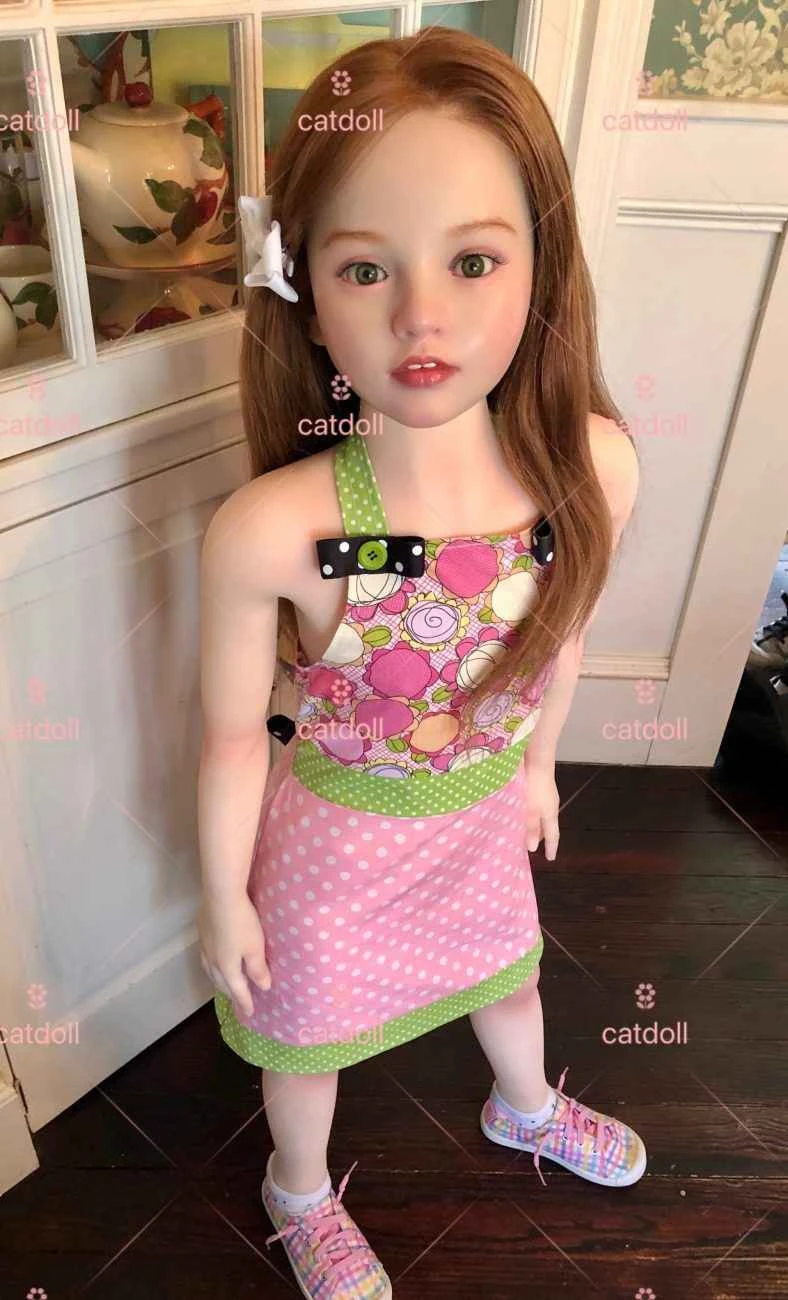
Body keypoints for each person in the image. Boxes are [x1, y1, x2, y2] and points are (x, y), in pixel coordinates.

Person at [198, 27, 642, 1299]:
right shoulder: (275, 528)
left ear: (541, 263)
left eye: (472, 260)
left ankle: (523, 1104)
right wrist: (223, 893)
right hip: (334, 850)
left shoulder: (592, 467)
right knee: (308, 1038)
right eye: (363, 268)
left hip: (481, 819)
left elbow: (557, 636)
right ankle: (297, 1189)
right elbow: (227, 738)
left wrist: (538, 765)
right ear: (301, 286)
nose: (420, 315)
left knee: (509, 976)